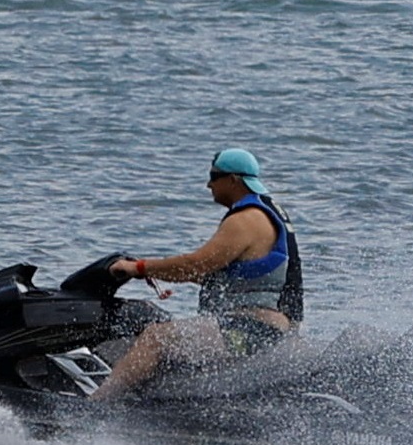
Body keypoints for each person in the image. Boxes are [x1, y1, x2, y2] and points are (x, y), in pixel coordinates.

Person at [89, 148, 304, 400]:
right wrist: (158, 272)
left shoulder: (246, 219)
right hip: (262, 328)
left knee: (156, 338)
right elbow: (219, 274)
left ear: (233, 180)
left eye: (214, 177)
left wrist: (137, 268)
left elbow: (195, 265)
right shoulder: (266, 211)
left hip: (252, 331)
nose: (208, 184)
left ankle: (94, 408)